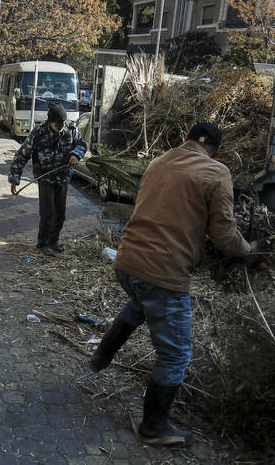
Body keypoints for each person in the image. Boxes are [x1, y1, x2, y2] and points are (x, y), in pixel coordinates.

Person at [88, 122, 261, 446]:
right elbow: (224, 236)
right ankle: (154, 427)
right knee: (176, 353)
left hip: (127, 262)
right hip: (162, 274)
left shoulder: (159, 161)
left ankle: (101, 357)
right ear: (216, 150)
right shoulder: (217, 172)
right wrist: (249, 251)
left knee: (138, 305)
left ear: (187, 140)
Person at [7, 102, 87, 255]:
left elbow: (82, 144)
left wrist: (76, 154)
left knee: (60, 213)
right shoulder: (38, 133)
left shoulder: (71, 129)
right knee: (47, 212)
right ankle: (42, 243)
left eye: (63, 122)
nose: (62, 125)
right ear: (50, 122)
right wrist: (14, 178)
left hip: (63, 178)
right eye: (58, 123)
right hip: (46, 179)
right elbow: (21, 156)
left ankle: (53, 241)